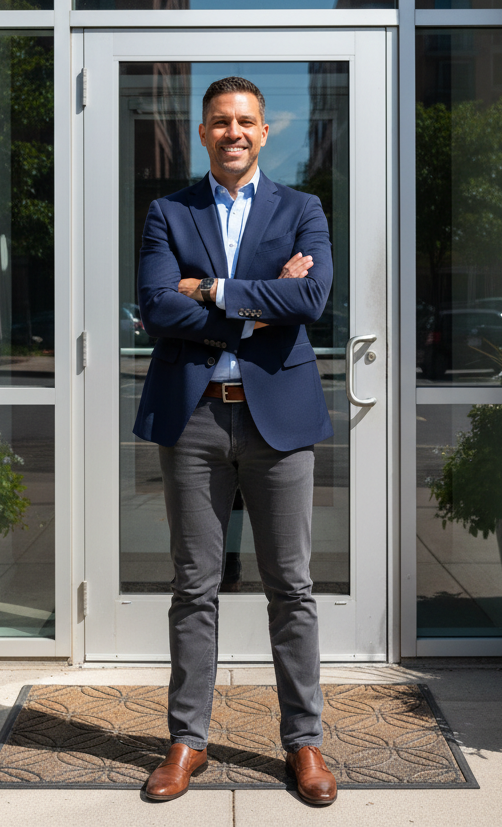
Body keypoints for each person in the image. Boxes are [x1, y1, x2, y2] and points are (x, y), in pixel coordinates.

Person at [133, 76, 338, 806]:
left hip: (276, 421)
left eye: (245, 121)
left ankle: (304, 743)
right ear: (201, 132)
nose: (233, 133)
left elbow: (312, 298)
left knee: (292, 586)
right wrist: (258, 302)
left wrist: (212, 291)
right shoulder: (169, 210)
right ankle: (187, 741)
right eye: (220, 122)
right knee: (194, 587)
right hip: (192, 419)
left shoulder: (302, 209)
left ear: (264, 130)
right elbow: (156, 306)